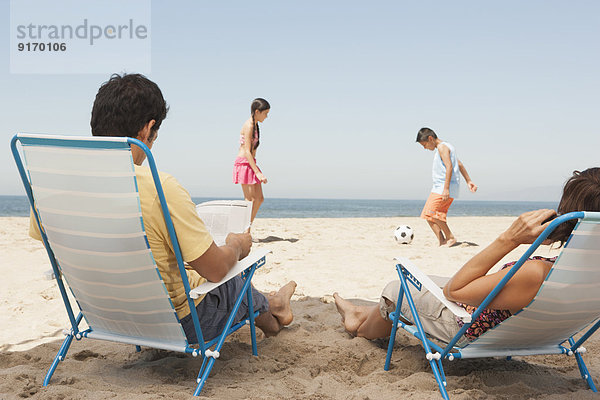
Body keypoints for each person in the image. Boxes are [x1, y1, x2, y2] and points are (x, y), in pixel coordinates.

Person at [30, 74, 295, 343]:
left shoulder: (46, 188)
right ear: (148, 128)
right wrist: (236, 245)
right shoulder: (159, 188)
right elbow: (215, 270)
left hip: (106, 319)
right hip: (179, 325)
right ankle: (274, 311)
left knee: (188, 266)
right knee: (232, 278)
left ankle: (274, 303)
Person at [334, 168, 600, 344]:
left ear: (566, 217)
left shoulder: (537, 274)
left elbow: (454, 291)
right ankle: (361, 310)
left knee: (397, 289)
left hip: (466, 328)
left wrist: (510, 238)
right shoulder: (587, 276)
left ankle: (357, 324)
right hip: (531, 333)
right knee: (427, 282)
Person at [416, 127, 478, 246]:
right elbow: (459, 164)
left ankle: (450, 237)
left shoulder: (442, 147)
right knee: (427, 215)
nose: (424, 148)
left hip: (443, 187)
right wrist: (468, 180)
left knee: (433, 213)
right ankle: (442, 241)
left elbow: (449, 166)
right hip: (438, 187)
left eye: (424, 145)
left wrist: (446, 189)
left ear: (430, 138)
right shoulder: (447, 147)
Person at [233, 98, 270, 229]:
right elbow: (247, 152)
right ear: (257, 111)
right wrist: (258, 173)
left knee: (259, 199)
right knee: (250, 200)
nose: (266, 117)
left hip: (250, 163)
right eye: (265, 113)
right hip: (244, 163)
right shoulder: (249, 125)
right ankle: (244, 230)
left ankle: (246, 227)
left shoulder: (255, 125)